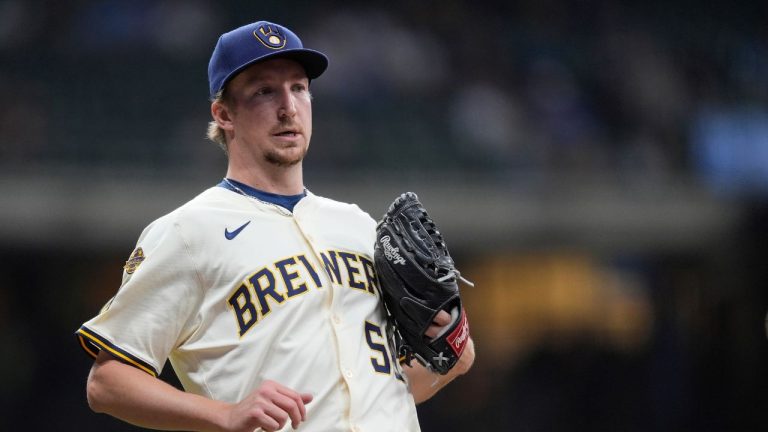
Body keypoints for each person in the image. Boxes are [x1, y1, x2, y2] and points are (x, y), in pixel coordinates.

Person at [76, 20, 474, 432]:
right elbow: (107, 383)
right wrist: (225, 414)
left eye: (299, 88)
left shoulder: (359, 226)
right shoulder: (188, 232)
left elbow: (391, 388)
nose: (288, 106)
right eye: (265, 91)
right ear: (223, 114)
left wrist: (453, 346)